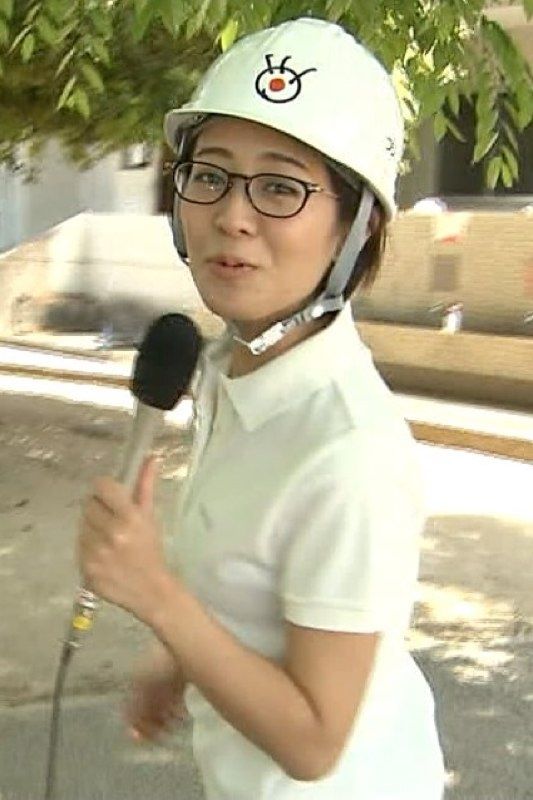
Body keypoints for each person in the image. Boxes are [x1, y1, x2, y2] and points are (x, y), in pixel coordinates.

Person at [77, 17, 445, 800]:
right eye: (209, 175)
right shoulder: (230, 368)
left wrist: (157, 597)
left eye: (280, 187)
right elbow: (250, 584)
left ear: (354, 228)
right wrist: (179, 660)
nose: (231, 215)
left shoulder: (350, 454)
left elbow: (313, 744)